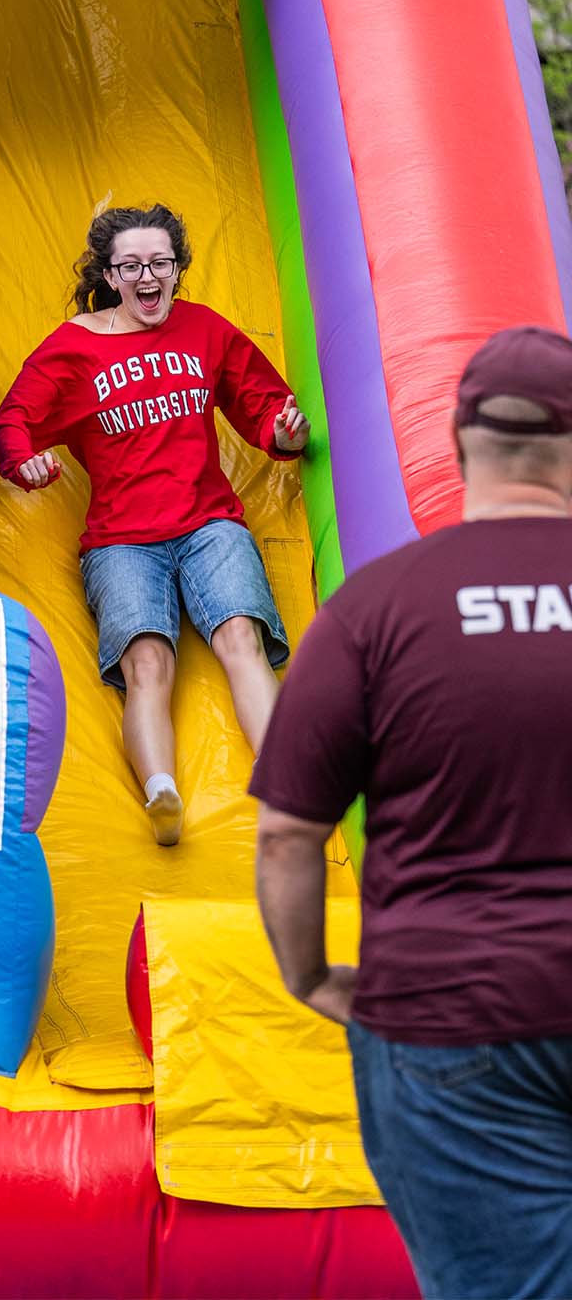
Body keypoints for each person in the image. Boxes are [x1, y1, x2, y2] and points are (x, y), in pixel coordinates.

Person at [251, 325, 572, 1300]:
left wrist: (308, 974)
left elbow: (285, 834)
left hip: (451, 1017)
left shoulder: (374, 606)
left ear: (457, 439)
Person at [0, 203, 309, 845]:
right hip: (122, 540)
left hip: (209, 522)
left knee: (240, 639)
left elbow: (262, 401)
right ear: (109, 275)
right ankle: (162, 791)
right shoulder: (73, 346)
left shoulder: (204, 331)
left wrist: (283, 432)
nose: (147, 275)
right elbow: (11, 423)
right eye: (131, 265)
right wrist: (26, 463)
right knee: (147, 663)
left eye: (160, 262)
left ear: (177, 268)